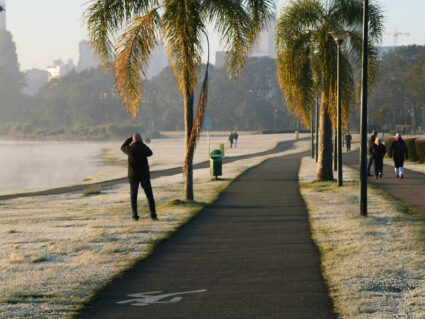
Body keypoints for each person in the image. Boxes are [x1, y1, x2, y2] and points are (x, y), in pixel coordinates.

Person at [121, 133, 157, 221]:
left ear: (133, 139)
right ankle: (153, 214)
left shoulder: (130, 149)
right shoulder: (143, 147)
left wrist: (130, 138)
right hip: (144, 175)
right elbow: (150, 153)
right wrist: (141, 143)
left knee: (134, 196)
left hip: (133, 175)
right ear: (140, 139)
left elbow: (122, 147)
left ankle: (135, 216)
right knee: (149, 195)